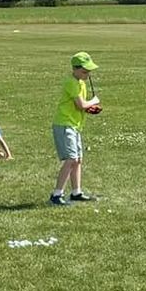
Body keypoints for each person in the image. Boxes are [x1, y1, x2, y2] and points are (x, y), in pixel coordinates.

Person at [48, 51, 102, 205]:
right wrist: (93, 101)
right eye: (84, 71)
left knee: (78, 160)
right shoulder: (71, 82)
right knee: (71, 159)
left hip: (75, 125)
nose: (87, 74)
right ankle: (57, 194)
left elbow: (81, 107)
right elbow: (81, 104)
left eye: (89, 71)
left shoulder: (81, 83)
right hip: (65, 125)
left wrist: (89, 109)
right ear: (75, 69)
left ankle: (76, 192)